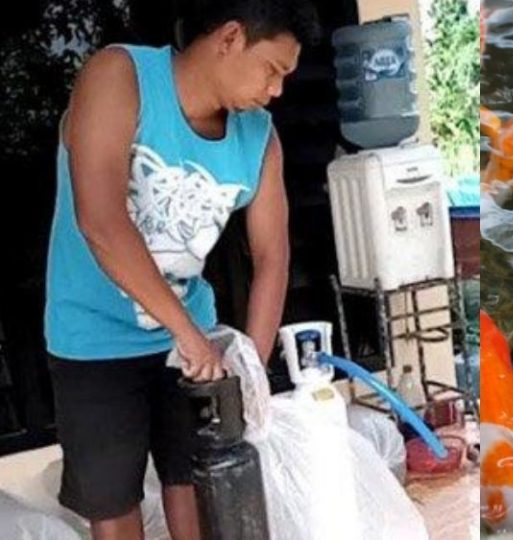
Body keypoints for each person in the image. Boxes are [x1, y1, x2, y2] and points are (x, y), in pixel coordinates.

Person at [43, 1, 319, 538]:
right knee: (114, 505)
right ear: (231, 37)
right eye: (273, 69)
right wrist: (187, 335)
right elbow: (99, 218)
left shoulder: (259, 136)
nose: (277, 90)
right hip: (92, 341)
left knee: (199, 485)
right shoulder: (119, 76)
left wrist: (249, 371)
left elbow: (271, 256)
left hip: (191, 339)